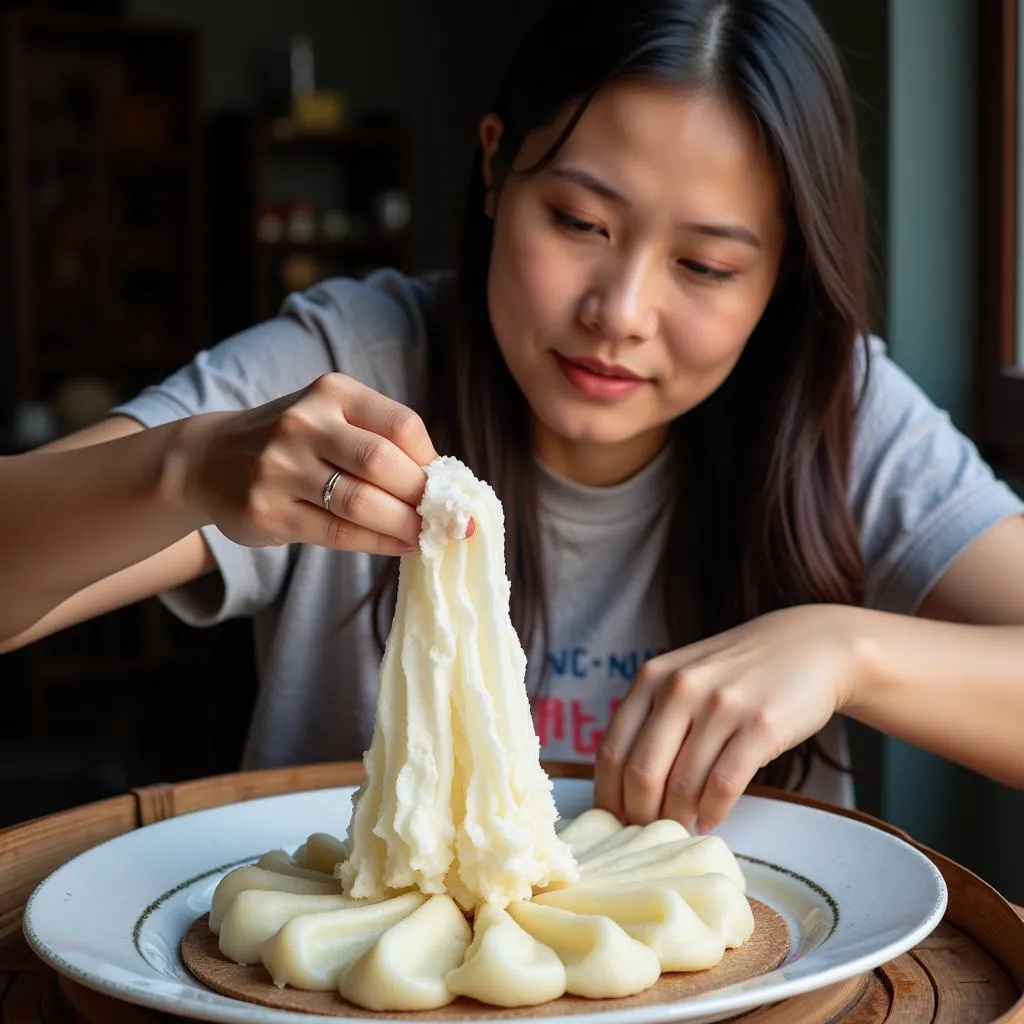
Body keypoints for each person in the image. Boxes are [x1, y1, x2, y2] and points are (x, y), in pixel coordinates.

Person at [2, 0, 1022, 837]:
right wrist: (185, 466)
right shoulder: (351, 362)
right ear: (495, 168)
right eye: (578, 222)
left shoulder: (836, 409)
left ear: (785, 270)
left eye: (705, 266)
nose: (618, 313)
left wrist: (849, 651)